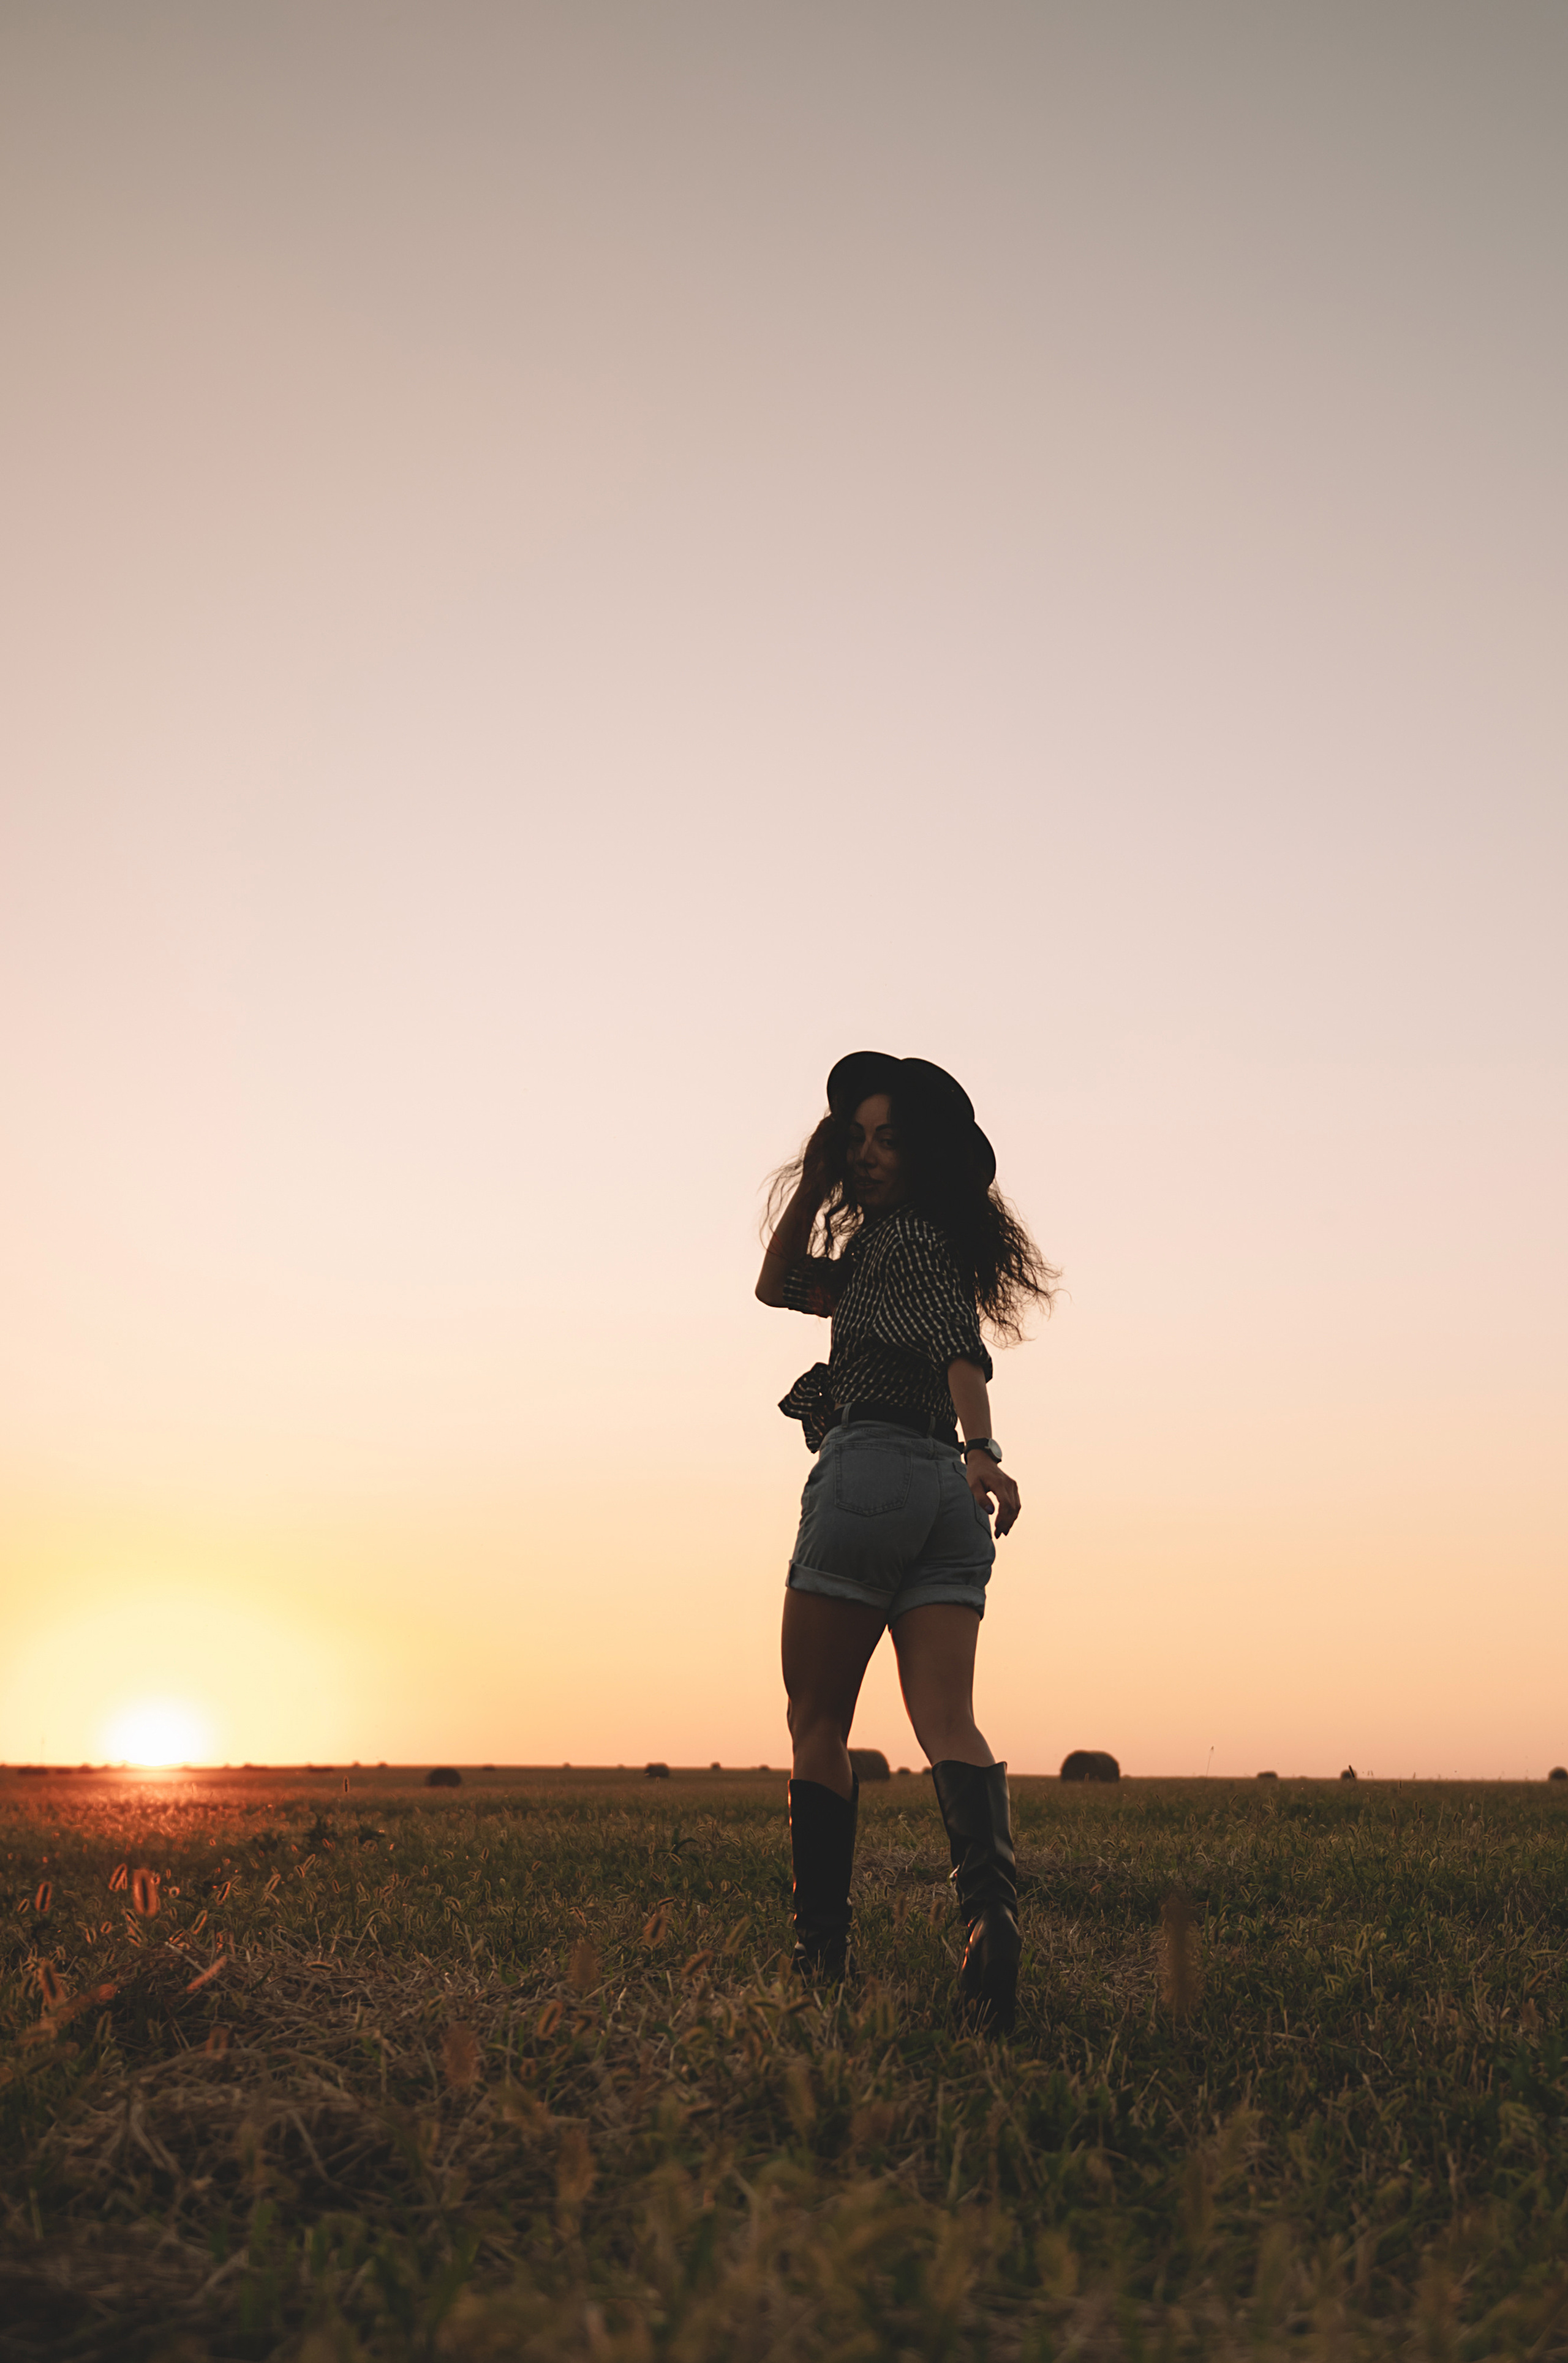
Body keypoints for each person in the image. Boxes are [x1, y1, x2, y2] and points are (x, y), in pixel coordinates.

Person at [756, 1051, 1058, 2033]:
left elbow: (958, 1347)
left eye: (890, 1139)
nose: (870, 1155)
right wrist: (815, 1184)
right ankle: (990, 1919)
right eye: (857, 1139)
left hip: (878, 1471)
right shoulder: (889, 1257)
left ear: (924, 1155)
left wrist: (986, 1446)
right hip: (943, 1502)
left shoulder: (908, 1242)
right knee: (949, 1723)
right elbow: (777, 1284)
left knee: (816, 1722)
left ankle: (821, 1957)